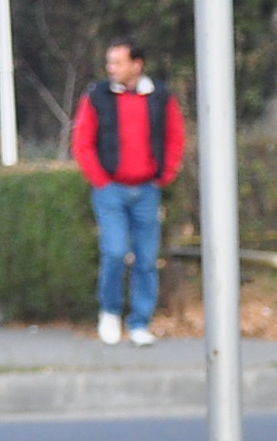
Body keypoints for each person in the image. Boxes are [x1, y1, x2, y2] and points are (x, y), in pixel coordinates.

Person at [72, 37, 184, 346]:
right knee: (116, 251)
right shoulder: (97, 96)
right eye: (110, 62)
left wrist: (166, 175)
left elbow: (176, 135)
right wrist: (100, 180)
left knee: (147, 258)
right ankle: (109, 312)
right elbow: (82, 141)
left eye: (118, 62)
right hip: (111, 190)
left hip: (147, 189)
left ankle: (140, 322)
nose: (112, 68)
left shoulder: (160, 96)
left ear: (137, 64)